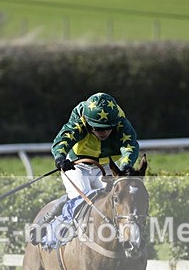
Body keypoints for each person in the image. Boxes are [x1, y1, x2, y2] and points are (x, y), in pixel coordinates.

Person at [51, 92, 139, 220]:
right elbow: (65, 138)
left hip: (106, 167)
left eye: (108, 127)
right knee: (81, 198)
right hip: (78, 166)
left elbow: (130, 146)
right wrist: (60, 157)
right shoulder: (80, 121)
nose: (103, 132)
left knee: (118, 198)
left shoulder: (121, 122)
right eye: (98, 128)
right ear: (88, 123)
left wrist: (125, 167)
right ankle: (59, 225)